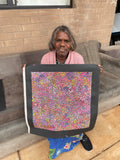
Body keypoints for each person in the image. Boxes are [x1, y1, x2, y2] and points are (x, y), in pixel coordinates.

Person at [41, 25, 98, 159]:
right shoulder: (46, 58)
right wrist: (28, 70)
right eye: (58, 40)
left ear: (70, 43)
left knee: (79, 112)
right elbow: (42, 83)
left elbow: (83, 82)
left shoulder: (77, 58)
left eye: (66, 41)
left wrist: (95, 71)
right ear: (53, 42)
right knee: (47, 115)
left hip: (73, 99)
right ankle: (57, 145)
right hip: (53, 99)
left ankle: (80, 136)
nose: (62, 44)